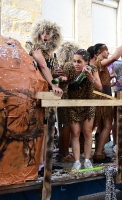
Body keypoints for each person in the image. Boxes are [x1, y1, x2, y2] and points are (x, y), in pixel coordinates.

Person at [27, 19, 63, 174]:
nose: (45, 36)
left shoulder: (52, 54)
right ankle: (40, 165)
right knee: (41, 129)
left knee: (49, 129)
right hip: (38, 92)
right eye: (43, 32)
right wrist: (54, 84)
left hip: (49, 93)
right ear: (38, 33)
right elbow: (42, 67)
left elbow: (50, 74)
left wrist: (58, 80)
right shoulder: (34, 48)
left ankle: (46, 163)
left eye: (49, 33)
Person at [93, 38, 122, 163]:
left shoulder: (100, 65)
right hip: (102, 98)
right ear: (99, 52)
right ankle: (98, 153)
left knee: (103, 126)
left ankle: (100, 152)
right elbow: (116, 57)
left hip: (105, 95)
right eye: (106, 50)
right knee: (107, 125)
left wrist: (111, 83)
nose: (108, 52)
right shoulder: (99, 63)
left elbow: (102, 82)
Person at [62, 49, 102, 171]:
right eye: (74, 61)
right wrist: (62, 79)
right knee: (75, 133)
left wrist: (90, 77)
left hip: (88, 104)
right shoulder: (69, 67)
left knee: (87, 132)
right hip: (73, 105)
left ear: (86, 62)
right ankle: (77, 161)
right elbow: (62, 81)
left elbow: (99, 87)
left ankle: (87, 160)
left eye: (79, 61)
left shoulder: (92, 69)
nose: (76, 64)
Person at [55, 42, 79, 162]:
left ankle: (61, 153)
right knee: (66, 126)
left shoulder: (63, 66)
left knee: (62, 126)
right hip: (68, 98)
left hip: (62, 97)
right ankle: (64, 154)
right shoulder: (70, 66)